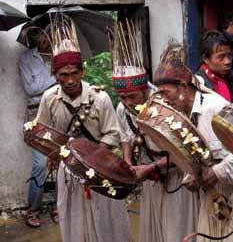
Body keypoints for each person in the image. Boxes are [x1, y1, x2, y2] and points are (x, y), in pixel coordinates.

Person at [153, 43, 233, 242]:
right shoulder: (183, 115)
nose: (164, 100)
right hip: (214, 199)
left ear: (183, 87)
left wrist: (216, 172)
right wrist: (191, 177)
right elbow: (193, 156)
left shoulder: (216, 108)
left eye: (165, 93)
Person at [34, 18, 132, 242]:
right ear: (55, 75)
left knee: (105, 216)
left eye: (74, 73)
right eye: (63, 75)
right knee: (73, 216)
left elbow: (114, 133)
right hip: (67, 169)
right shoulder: (49, 98)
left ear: (82, 72)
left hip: (101, 168)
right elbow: (43, 130)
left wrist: (93, 157)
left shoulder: (100, 97)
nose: (69, 80)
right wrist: (51, 153)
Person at [111, 21, 199, 242]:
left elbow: (183, 150)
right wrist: (130, 164)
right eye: (122, 97)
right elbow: (125, 137)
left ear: (145, 89)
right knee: (155, 229)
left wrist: (150, 167)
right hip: (149, 175)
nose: (127, 101)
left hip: (178, 175)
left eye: (132, 96)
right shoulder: (123, 107)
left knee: (178, 228)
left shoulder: (166, 102)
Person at [18, 27, 58, 227]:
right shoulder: (26, 58)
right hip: (36, 114)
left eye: (46, 33)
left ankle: (58, 206)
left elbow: (68, 83)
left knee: (62, 160)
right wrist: (55, 79)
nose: (43, 38)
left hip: (59, 111)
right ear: (32, 37)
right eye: (38, 35)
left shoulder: (60, 53)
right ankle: (32, 209)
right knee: (40, 164)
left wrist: (51, 83)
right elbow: (30, 89)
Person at [197, 30, 233, 103]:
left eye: (229, 56)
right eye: (221, 57)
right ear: (205, 58)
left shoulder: (231, 80)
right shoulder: (198, 85)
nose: (228, 61)